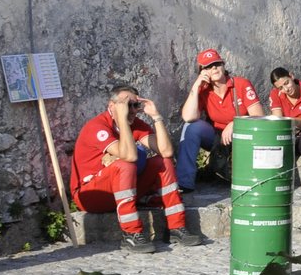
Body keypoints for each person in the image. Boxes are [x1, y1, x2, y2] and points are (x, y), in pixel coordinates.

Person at [71, 82, 197, 252]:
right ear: (112, 106)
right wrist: (122, 118)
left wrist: (156, 116)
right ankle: (131, 233)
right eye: (126, 105)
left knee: (163, 163)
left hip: (121, 189)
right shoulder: (97, 127)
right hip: (91, 194)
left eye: (135, 105)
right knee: (126, 165)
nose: (131, 110)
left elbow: (166, 151)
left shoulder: (136, 124)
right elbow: (129, 156)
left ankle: (176, 227)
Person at [176, 48, 264, 191]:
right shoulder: (204, 91)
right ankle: (184, 183)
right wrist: (196, 86)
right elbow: (188, 117)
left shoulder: (241, 84)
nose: (214, 68)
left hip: (242, 136)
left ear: (223, 65)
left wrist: (235, 123)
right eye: (208, 66)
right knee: (191, 127)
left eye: (217, 64)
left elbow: (259, 115)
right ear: (202, 72)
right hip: (216, 137)